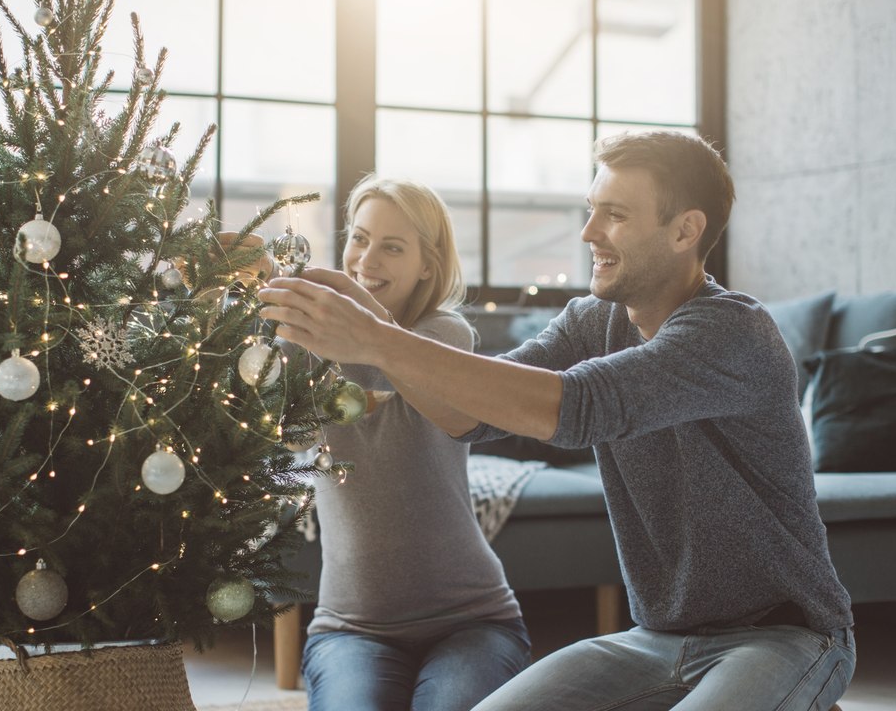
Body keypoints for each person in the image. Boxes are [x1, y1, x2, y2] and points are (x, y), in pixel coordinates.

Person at [258, 130, 856, 710]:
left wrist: (378, 342)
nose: (589, 231)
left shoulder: (732, 332)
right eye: (592, 209)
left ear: (685, 230)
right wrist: (361, 328)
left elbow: (574, 409)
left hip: (785, 635)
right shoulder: (593, 320)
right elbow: (468, 417)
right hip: (656, 639)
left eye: (615, 214)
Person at [294, 174, 531, 711]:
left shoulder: (445, 336)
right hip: (348, 628)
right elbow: (275, 418)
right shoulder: (311, 340)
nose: (366, 259)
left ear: (428, 264)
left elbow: (371, 365)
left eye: (392, 247)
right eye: (359, 238)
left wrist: (309, 283)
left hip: (474, 622)